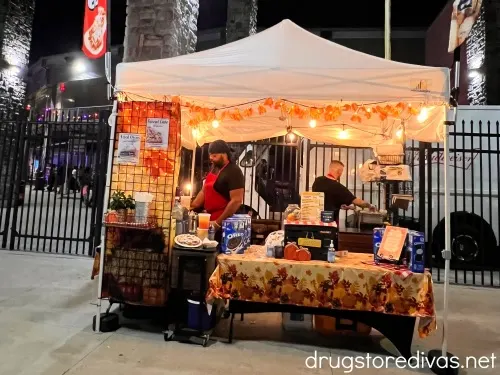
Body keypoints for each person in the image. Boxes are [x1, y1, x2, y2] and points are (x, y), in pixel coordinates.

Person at [190, 140, 245, 238]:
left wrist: (218, 223)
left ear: (224, 155)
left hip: (224, 224)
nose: (211, 158)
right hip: (209, 220)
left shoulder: (234, 171)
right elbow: (204, 191)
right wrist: (191, 206)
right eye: (210, 155)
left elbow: (236, 201)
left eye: (214, 156)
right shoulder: (214, 168)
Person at [312, 160, 375, 224]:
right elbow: (357, 202)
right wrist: (370, 206)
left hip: (315, 220)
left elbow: (325, 199)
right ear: (339, 171)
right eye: (342, 171)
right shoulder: (338, 187)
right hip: (330, 222)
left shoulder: (318, 181)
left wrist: (339, 206)